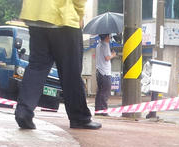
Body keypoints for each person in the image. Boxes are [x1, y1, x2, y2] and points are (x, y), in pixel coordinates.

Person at [14, 0, 101, 130]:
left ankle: (23, 111)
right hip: (62, 16)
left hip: (35, 16)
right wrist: (79, 14)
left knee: (37, 67)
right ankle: (79, 117)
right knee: (70, 71)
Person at [95, 34, 116, 113]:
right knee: (105, 92)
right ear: (106, 37)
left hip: (99, 72)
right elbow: (107, 58)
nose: (110, 38)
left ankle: (98, 110)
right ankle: (103, 111)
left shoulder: (98, 45)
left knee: (100, 92)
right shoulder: (106, 45)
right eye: (109, 36)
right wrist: (113, 55)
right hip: (105, 73)